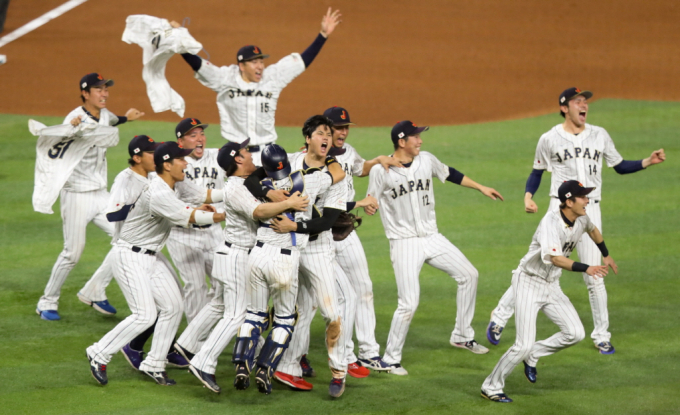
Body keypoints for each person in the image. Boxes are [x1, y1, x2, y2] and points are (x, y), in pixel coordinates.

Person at [487, 88, 666, 354]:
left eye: (586, 102)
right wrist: (527, 196)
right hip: (556, 211)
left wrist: (647, 161)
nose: (585, 106)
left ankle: (601, 335)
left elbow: (618, 165)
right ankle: (500, 317)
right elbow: (536, 172)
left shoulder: (599, 134)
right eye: (578, 101)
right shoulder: (549, 138)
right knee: (534, 267)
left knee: (595, 276)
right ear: (564, 108)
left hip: (590, 210)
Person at [366, 120, 504, 375]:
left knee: (469, 274)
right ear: (401, 141)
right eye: (416, 137)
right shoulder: (380, 170)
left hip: (432, 237)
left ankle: (462, 335)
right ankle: (390, 359)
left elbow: (449, 173)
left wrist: (481, 187)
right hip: (404, 242)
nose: (420, 141)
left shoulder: (426, 160)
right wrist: (368, 206)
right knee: (408, 303)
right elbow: (371, 198)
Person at [86, 142, 224, 386]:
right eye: (181, 159)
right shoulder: (158, 192)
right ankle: (98, 352)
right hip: (130, 256)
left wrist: (208, 204)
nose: (187, 162)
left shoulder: (172, 184)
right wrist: (223, 214)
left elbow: (194, 203)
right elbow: (190, 217)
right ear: (167, 165)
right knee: (144, 315)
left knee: (173, 306)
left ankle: (154, 363)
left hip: (151, 256)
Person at [258, 115, 376, 391]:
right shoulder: (289, 162)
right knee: (289, 308)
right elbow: (255, 178)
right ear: (308, 137)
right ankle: (283, 366)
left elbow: (326, 221)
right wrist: (267, 191)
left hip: (318, 249)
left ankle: (338, 371)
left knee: (331, 312)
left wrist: (293, 225)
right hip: (286, 245)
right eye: (321, 133)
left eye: (329, 134)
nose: (327, 138)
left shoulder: (336, 177)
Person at [184, 139, 310, 394]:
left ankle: (188, 346)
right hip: (237, 256)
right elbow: (259, 212)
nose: (251, 155)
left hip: (238, 254)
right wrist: (288, 204)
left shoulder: (245, 182)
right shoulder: (235, 187)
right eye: (246, 152)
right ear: (238, 159)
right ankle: (203, 362)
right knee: (238, 315)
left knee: (229, 308)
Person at [481, 180, 618, 403]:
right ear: (568, 201)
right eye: (582, 197)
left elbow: (593, 231)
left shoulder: (581, 217)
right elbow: (556, 258)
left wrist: (606, 254)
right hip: (528, 283)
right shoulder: (550, 223)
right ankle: (491, 386)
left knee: (575, 333)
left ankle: (534, 355)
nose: (587, 200)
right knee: (522, 344)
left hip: (552, 284)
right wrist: (588, 267)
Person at [231, 143, 347, 397]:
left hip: (257, 254)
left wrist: (265, 186)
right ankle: (265, 369)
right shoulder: (309, 181)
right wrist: (329, 160)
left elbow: (254, 180)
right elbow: (338, 175)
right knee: (284, 319)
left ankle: (242, 364)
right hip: (285, 259)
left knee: (254, 315)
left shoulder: (258, 190)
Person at [36, 73, 144, 321]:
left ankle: (94, 289)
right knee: (72, 253)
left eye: (106, 89)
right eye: (98, 89)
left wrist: (128, 117)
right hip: (76, 195)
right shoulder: (74, 119)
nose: (104, 93)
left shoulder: (104, 114)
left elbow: (111, 121)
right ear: (85, 93)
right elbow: (56, 147)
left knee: (126, 238)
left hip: (101, 194)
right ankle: (47, 301)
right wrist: (70, 131)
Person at [172, 8, 341, 165]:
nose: (260, 66)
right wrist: (180, 44)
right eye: (254, 62)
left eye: (261, 61)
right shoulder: (225, 78)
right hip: (235, 154)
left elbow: (302, 62)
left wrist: (323, 35)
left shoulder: (273, 77)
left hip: (267, 153)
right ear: (242, 65)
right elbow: (199, 65)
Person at [323, 106, 401, 373]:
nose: (343, 132)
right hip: (319, 237)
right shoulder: (314, 158)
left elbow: (360, 169)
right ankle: (305, 356)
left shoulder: (348, 151)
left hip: (345, 232)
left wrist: (378, 160)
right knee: (325, 300)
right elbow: (325, 202)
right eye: (338, 128)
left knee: (363, 289)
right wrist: (360, 202)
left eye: (346, 127)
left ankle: (368, 352)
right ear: (325, 129)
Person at [166, 117, 225, 323]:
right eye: (193, 135)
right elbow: (169, 204)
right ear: (180, 142)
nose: (200, 139)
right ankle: (193, 343)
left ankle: (207, 324)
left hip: (214, 231)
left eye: (201, 133)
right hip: (184, 234)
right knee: (195, 286)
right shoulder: (173, 164)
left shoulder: (216, 156)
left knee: (225, 281)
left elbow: (246, 156)